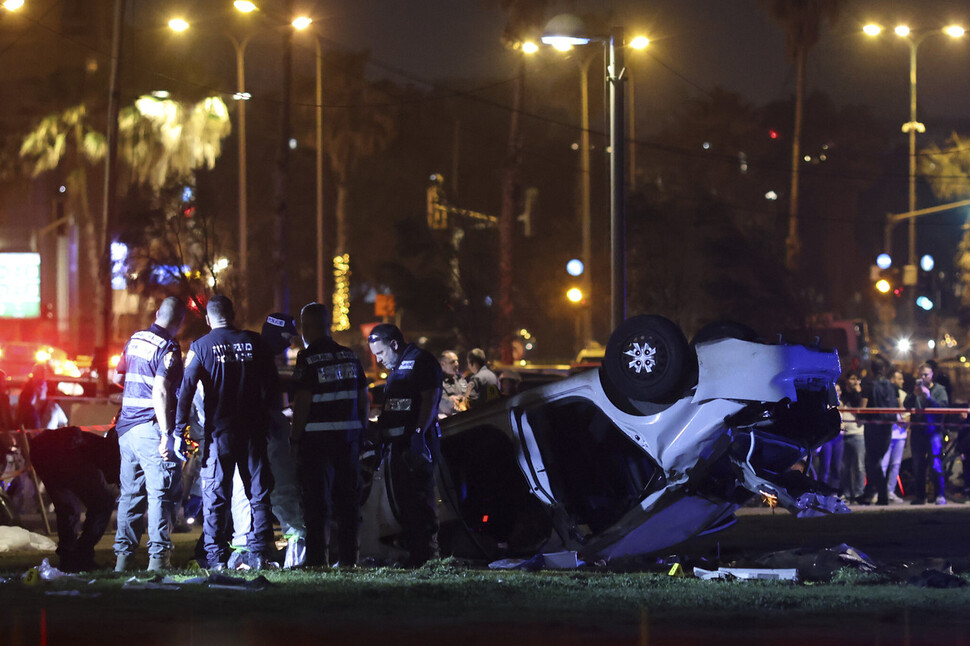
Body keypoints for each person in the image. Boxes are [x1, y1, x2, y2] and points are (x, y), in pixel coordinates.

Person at [175, 295, 280, 569]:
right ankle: (258, 550)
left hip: (219, 434)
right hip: (253, 432)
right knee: (257, 493)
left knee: (215, 495)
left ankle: (214, 556)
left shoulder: (200, 346)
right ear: (233, 315)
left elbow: (186, 390)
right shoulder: (255, 342)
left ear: (208, 319)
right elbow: (272, 386)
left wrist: (178, 429)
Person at [223, 313, 307, 568]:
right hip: (265, 434)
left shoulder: (249, 354)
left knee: (244, 490)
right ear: (273, 333)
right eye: (286, 337)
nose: (288, 344)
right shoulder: (261, 358)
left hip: (241, 433)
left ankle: (246, 549)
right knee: (281, 488)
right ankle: (295, 549)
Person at [291, 303, 368, 567]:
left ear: (308, 327)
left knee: (316, 503)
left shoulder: (307, 358)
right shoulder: (350, 356)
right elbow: (363, 398)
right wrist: (362, 431)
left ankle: (316, 560)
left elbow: (302, 402)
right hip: (348, 440)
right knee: (349, 503)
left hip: (316, 443)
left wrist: (295, 438)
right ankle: (350, 559)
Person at [113, 296, 186, 572]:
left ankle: (123, 560)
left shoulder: (135, 339)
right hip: (150, 428)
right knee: (161, 493)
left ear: (157, 313)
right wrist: (167, 433)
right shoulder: (168, 347)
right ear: (179, 322)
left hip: (126, 429)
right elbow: (162, 390)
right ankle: (158, 561)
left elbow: (116, 377)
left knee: (130, 496)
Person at [368, 323, 443, 567]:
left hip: (415, 443)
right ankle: (414, 553)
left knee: (418, 498)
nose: (378, 360)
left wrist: (418, 435)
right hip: (398, 444)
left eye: (380, 354)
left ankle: (426, 555)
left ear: (394, 344)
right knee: (404, 499)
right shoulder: (399, 366)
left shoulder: (421, 361)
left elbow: (430, 400)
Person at [30, 426, 120, 572]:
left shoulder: (98, 447)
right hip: (62, 452)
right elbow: (105, 484)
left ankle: (69, 557)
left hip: (41, 449)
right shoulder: (110, 455)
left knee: (68, 508)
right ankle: (81, 554)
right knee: (103, 503)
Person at [904, 362, 949, 505]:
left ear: (932, 375)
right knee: (918, 465)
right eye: (921, 375)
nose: (923, 377)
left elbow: (943, 408)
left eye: (926, 375)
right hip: (918, 431)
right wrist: (913, 395)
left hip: (933, 431)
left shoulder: (939, 390)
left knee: (935, 464)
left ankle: (939, 495)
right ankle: (920, 496)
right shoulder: (915, 389)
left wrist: (929, 397)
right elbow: (906, 405)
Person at [860, 360, 897, 505]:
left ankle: (882, 495)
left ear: (871, 369)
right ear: (884, 369)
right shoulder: (891, 386)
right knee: (875, 461)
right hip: (887, 427)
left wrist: (859, 417)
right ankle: (869, 494)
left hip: (872, 426)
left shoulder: (869, 385)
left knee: (873, 461)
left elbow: (863, 409)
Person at [882, 369, 908, 503]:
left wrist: (906, 421)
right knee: (883, 464)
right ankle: (879, 491)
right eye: (899, 378)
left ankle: (890, 491)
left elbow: (908, 413)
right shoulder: (885, 393)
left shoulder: (903, 394)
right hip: (887, 433)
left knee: (896, 464)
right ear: (892, 379)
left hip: (900, 435)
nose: (902, 381)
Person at [840, 372, 866, 502]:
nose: (853, 382)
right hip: (844, 434)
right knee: (845, 466)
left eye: (856, 379)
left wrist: (858, 391)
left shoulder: (860, 395)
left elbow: (860, 407)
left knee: (859, 466)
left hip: (858, 434)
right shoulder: (844, 396)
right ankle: (846, 493)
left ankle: (859, 493)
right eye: (851, 379)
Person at [438, 350, 466, 416]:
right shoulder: (437, 383)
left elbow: (470, 397)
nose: (457, 364)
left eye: (457, 361)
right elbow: (446, 407)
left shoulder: (460, 379)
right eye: (452, 362)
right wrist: (454, 401)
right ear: (443, 364)